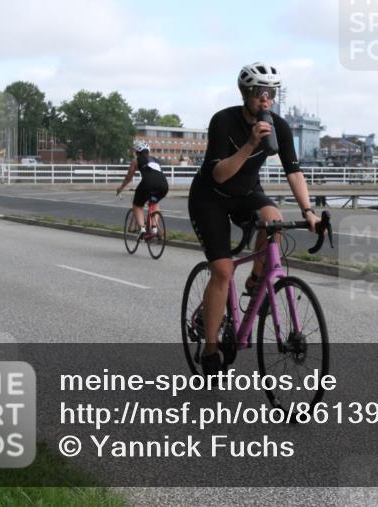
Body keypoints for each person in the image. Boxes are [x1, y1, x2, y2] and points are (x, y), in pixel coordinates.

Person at [188, 62, 319, 376]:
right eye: (260, 92)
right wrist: (250, 143)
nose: (266, 99)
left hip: (246, 192)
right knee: (222, 271)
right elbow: (219, 175)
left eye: (271, 93)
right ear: (246, 93)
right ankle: (210, 347)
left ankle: (257, 282)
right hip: (211, 198)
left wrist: (309, 212)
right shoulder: (223, 121)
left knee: (273, 217)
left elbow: (294, 172)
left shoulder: (279, 126)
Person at [116, 141, 169, 240]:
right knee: (155, 201)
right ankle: (154, 228)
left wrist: (121, 188)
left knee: (137, 205)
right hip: (164, 185)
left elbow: (128, 178)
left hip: (148, 184)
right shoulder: (156, 160)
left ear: (137, 152)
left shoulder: (136, 161)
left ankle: (142, 229)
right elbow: (155, 175)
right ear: (148, 152)